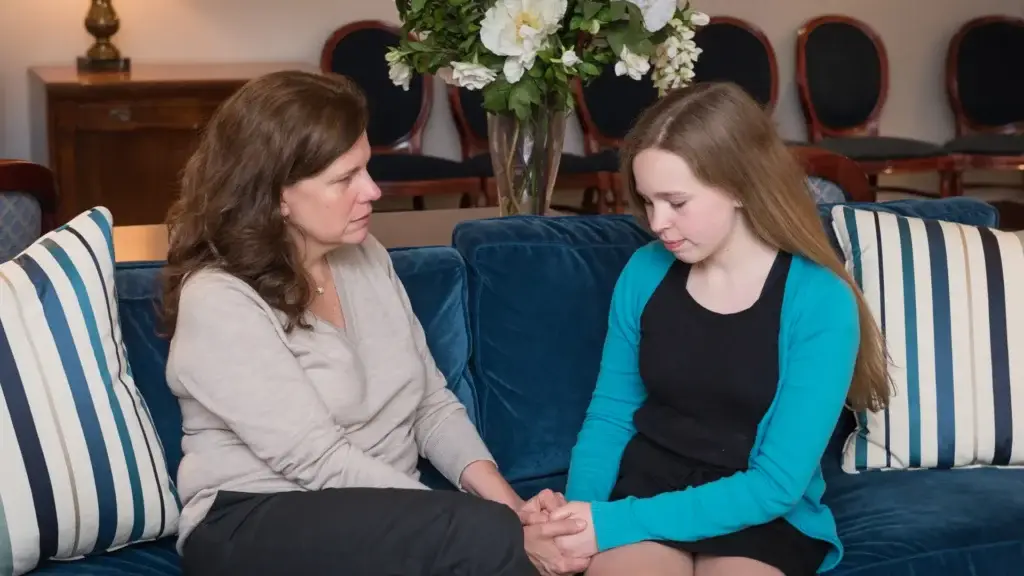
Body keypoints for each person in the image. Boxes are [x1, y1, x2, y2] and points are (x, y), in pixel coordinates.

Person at [161, 70, 589, 576]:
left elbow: (431, 405)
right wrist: (496, 528)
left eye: (366, 168)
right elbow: (317, 460)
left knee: (501, 530)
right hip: (252, 517)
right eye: (345, 179)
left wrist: (511, 506)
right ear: (276, 194)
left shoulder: (364, 256)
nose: (372, 191)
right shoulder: (219, 297)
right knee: (483, 535)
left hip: (386, 513)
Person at [547, 82, 893, 576]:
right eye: (647, 201)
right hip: (647, 487)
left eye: (676, 201)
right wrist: (576, 523)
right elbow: (610, 417)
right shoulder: (643, 272)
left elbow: (776, 484)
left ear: (737, 186)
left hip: (760, 506)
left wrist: (609, 523)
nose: (657, 222)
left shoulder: (821, 301)